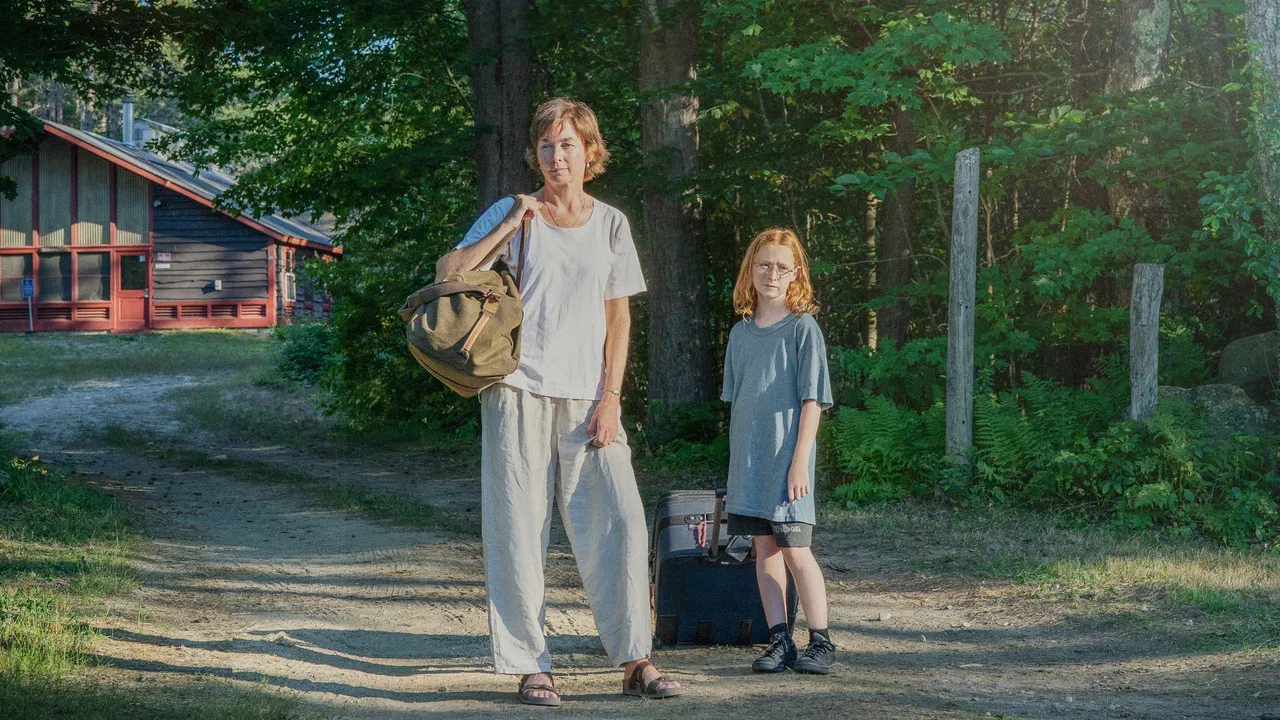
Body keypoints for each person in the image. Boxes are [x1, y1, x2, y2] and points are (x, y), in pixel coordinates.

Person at [435, 98, 682, 706]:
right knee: (517, 530)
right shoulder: (512, 211)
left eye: (568, 144)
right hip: (515, 390)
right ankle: (530, 666)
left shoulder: (611, 224)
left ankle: (636, 661)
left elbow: (618, 318)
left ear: (589, 152)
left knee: (621, 523)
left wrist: (612, 397)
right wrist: (510, 224)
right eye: (546, 145)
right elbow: (448, 272)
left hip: (589, 398)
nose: (556, 156)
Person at [720, 227, 836, 675]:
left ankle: (821, 641)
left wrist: (799, 461)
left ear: (796, 274)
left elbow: (813, 401)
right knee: (764, 549)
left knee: (795, 550)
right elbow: (741, 404)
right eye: (764, 265)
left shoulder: (803, 328)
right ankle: (779, 640)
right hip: (749, 464)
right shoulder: (740, 334)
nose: (772, 274)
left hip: (788, 464)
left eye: (781, 267)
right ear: (750, 271)